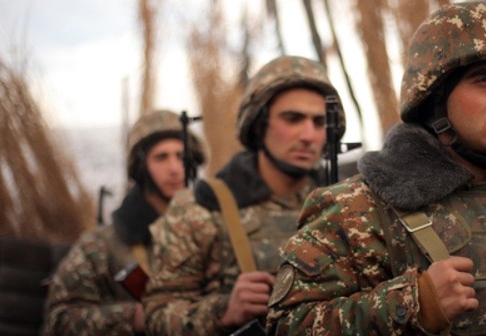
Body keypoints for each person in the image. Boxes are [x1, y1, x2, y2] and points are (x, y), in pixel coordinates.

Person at [266, 2, 486, 335]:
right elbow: (287, 326)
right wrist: (413, 304)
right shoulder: (355, 209)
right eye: (485, 80)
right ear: (434, 98)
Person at [142, 55, 345, 335]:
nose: (308, 135)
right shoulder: (198, 209)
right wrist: (224, 311)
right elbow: (156, 316)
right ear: (259, 124)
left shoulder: (344, 204)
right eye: (293, 118)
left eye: (319, 122)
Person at [44, 110, 204, 335]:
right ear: (140, 167)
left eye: (181, 156)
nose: (175, 168)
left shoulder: (210, 234)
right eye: (161, 157)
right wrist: (135, 317)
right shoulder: (99, 247)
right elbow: (59, 321)